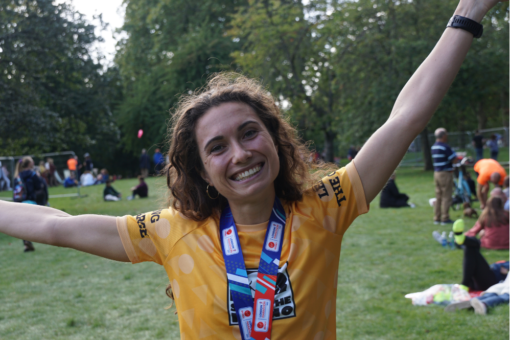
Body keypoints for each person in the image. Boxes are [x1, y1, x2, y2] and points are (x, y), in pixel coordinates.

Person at [0, 1, 504, 337]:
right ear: (200, 169)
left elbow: (406, 117)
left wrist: (467, 12)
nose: (239, 154)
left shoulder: (326, 205)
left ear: (274, 137)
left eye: (248, 133)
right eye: (216, 147)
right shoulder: (171, 232)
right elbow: (54, 224)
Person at [445, 219, 509, 314]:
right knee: (472, 246)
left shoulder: (490, 216)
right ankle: (462, 239)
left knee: (500, 294)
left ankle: (466, 288)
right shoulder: (505, 216)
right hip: (492, 275)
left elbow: (474, 230)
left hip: (494, 280)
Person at [12, 157, 47, 252]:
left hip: (19, 203)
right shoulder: (33, 174)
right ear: (29, 164)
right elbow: (40, 186)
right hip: (31, 201)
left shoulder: (17, 176)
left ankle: (26, 244)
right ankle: (30, 240)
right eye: (32, 161)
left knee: (23, 224)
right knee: (32, 223)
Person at [431, 127, 458, 225]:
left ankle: (437, 217)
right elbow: (454, 159)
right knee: (447, 196)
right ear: (443, 136)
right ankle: (445, 218)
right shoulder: (445, 146)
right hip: (445, 173)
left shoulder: (434, 146)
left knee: (438, 196)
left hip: (436, 173)